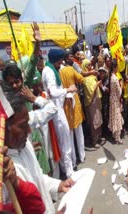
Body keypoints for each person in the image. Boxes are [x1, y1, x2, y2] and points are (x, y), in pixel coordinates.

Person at [3, 87, 74, 213]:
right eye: (23, 126)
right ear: (3, 127)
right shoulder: (2, 172)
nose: (29, 130)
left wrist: (58, 186)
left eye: (28, 124)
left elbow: (38, 177)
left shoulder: (24, 145)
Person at [42, 49, 77, 178]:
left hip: (56, 109)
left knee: (62, 140)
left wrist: (66, 94)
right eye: (60, 60)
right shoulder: (50, 72)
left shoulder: (50, 68)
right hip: (56, 111)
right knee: (65, 141)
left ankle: (65, 167)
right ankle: (69, 172)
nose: (62, 62)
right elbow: (53, 92)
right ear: (56, 60)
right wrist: (68, 89)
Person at [60, 50, 86, 165]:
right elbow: (81, 79)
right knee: (79, 132)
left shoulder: (58, 72)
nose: (72, 59)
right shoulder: (70, 69)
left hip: (65, 104)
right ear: (67, 59)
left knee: (69, 135)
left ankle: (73, 161)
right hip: (74, 102)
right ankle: (82, 156)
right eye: (71, 57)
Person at [82, 62, 104, 148]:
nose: (91, 67)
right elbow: (91, 91)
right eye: (88, 65)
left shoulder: (92, 76)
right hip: (91, 102)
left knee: (98, 119)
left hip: (96, 101)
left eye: (91, 65)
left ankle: (98, 137)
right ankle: (94, 141)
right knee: (93, 122)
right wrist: (97, 84)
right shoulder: (85, 79)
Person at [108, 59, 124, 144]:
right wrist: (121, 84)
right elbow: (119, 91)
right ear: (115, 67)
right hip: (116, 100)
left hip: (112, 99)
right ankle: (117, 137)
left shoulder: (111, 76)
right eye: (117, 67)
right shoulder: (115, 78)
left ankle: (114, 135)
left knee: (113, 117)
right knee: (117, 118)